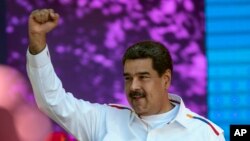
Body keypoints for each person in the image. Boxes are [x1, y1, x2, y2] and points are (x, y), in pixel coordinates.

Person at [26, 9, 225, 141]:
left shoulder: (205, 134)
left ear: (165, 79)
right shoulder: (104, 120)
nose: (133, 87)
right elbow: (52, 101)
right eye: (128, 78)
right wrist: (37, 40)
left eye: (143, 77)